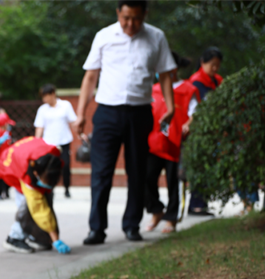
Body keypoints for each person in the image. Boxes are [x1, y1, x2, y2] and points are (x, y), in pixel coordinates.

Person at [75, 0, 177, 245]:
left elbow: (165, 75)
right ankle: (96, 229)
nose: (131, 24)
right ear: (118, 13)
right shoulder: (104, 36)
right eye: (126, 18)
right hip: (107, 113)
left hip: (140, 113)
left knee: (137, 171)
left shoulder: (156, 37)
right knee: (101, 173)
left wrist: (171, 106)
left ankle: (132, 225)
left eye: (137, 19)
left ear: (145, 14)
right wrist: (81, 113)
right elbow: (90, 77)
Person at [144, 52, 200, 234]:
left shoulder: (188, 89)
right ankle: (156, 210)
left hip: (177, 144)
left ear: (173, 68)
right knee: (146, 178)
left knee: (174, 183)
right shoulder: (153, 89)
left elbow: (195, 113)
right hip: (154, 143)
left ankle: (172, 218)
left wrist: (189, 124)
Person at [0, 137, 71, 255]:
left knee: (46, 198)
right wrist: (56, 240)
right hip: (12, 166)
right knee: (28, 207)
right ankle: (14, 237)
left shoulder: (52, 159)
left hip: (26, 152)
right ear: (36, 174)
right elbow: (40, 210)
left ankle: (40, 238)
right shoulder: (27, 175)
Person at [186, 47, 224, 216]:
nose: (215, 68)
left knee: (208, 166)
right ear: (203, 62)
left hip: (212, 130)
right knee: (200, 166)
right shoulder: (196, 82)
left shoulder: (217, 81)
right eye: (212, 64)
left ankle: (202, 202)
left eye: (217, 65)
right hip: (199, 131)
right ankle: (196, 204)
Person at [34, 84, 78, 198]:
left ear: (53, 94)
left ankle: (67, 188)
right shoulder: (42, 110)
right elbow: (39, 127)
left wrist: (80, 133)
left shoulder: (65, 105)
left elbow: (73, 121)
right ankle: (50, 188)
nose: (44, 99)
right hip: (49, 143)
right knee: (49, 167)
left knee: (66, 165)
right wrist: (36, 142)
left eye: (46, 96)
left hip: (64, 141)